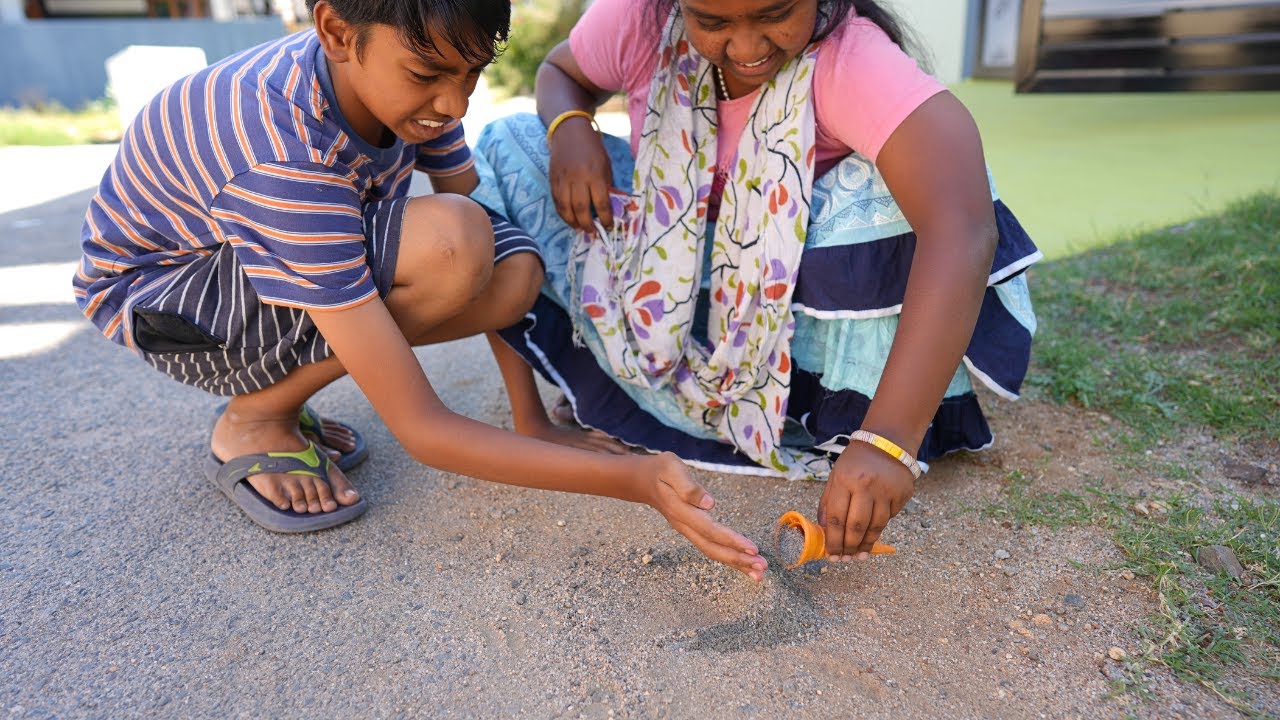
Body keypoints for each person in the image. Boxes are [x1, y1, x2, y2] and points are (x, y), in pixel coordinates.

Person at [72, 0, 770, 581]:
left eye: (471, 74)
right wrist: (638, 484)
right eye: (430, 73)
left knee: (510, 266)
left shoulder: (411, 88)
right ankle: (254, 419)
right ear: (338, 33)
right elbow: (424, 429)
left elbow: (491, 239)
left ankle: (279, 395)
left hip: (248, 270)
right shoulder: (284, 151)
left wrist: (531, 421)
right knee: (450, 244)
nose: (454, 101)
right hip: (167, 301)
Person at [471, 0, 1042, 564]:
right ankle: (603, 395)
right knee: (511, 143)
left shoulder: (850, 58)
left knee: (907, 195)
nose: (745, 48)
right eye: (712, 22)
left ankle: (835, 414)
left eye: (774, 15)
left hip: (772, 302)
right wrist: (571, 129)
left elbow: (961, 226)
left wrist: (888, 440)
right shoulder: (639, 17)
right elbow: (560, 71)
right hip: (665, 286)